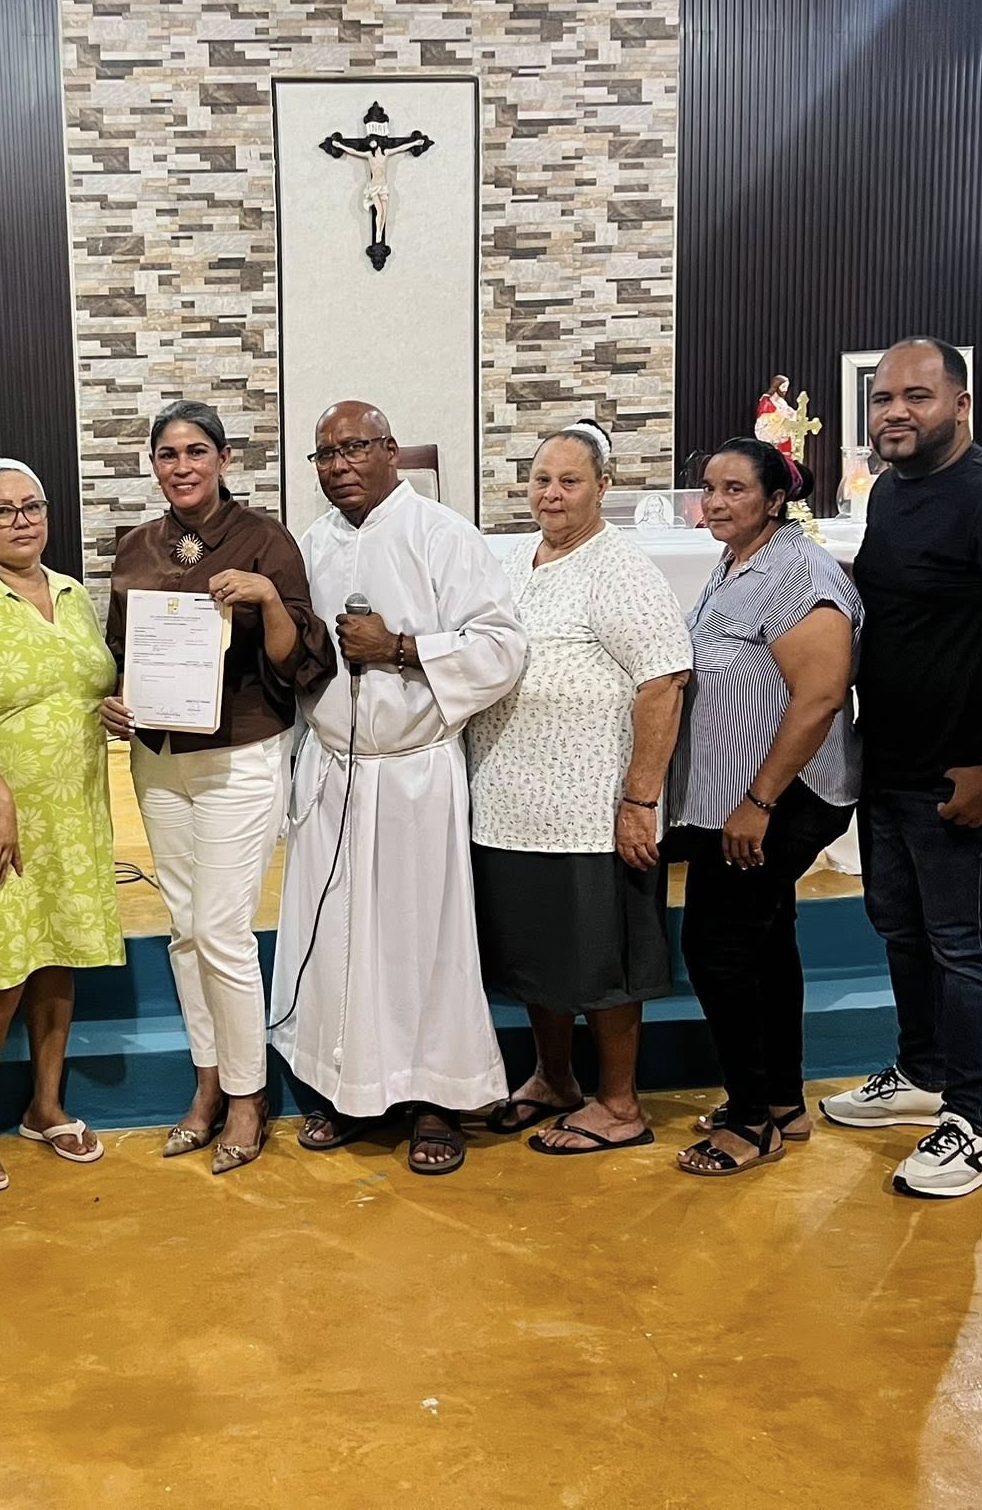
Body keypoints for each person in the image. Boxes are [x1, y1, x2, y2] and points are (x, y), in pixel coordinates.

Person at [820, 339, 982, 1198]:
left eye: (918, 396)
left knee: (964, 945)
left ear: (961, 404)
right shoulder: (894, 490)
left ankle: (974, 1124)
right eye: (884, 397)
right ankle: (923, 1070)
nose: (895, 411)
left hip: (963, 774)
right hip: (892, 762)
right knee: (902, 928)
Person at [272, 401, 527, 1175]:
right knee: (336, 940)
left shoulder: (442, 535)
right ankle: (347, 1088)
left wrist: (401, 648)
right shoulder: (309, 545)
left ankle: (435, 1100)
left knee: (421, 944)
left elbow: (503, 648)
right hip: (333, 771)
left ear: (390, 450)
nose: (338, 465)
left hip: (412, 773)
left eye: (353, 448)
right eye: (325, 454)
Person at [101, 401, 334, 1174]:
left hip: (240, 753)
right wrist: (115, 702)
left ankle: (246, 1095)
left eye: (196, 451)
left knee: (224, 931)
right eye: (168, 454)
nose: (182, 467)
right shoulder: (136, 546)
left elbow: (300, 660)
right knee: (183, 928)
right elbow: (121, 652)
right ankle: (206, 1083)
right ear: (154, 464)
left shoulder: (265, 539)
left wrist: (265, 597)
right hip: (159, 756)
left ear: (224, 460)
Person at [467, 422, 692, 1158]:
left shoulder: (619, 569)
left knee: (600, 963)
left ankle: (619, 1103)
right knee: (538, 954)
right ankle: (554, 1077)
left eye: (570, 481)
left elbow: (664, 682)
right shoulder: (515, 562)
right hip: (510, 806)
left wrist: (640, 800)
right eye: (542, 480)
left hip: (589, 811)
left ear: (603, 487)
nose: (553, 494)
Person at [0, 460, 126, 1193]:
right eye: (1, 511)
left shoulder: (71, 593)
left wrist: (111, 709)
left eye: (31, 506)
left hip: (72, 812)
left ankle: (45, 1106)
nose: (20, 521)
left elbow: (82, 686)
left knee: (56, 954)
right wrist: (1, 802)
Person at [666, 441, 861, 1178]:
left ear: (776, 500)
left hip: (782, 795)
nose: (715, 503)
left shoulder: (800, 573)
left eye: (736, 490)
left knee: (717, 946)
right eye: (709, 488)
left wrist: (759, 802)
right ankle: (781, 1100)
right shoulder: (736, 562)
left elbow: (820, 696)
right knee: (767, 940)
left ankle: (751, 1123)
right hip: (738, 795)